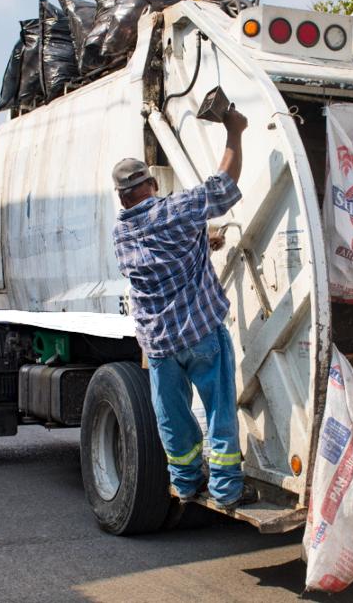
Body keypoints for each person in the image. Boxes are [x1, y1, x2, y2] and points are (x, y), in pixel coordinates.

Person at [111, 106, 255, 511]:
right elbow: (223, 186)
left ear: (121, 197)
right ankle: (227, 490)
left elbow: (161, 257)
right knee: (219, 412)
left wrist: (201, 241)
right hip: (200, 335)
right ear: (152, 184)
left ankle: (186, 484)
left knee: (172, 419)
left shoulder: (121, 232)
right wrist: (234, 131)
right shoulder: (173, 210)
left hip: (159, 346)